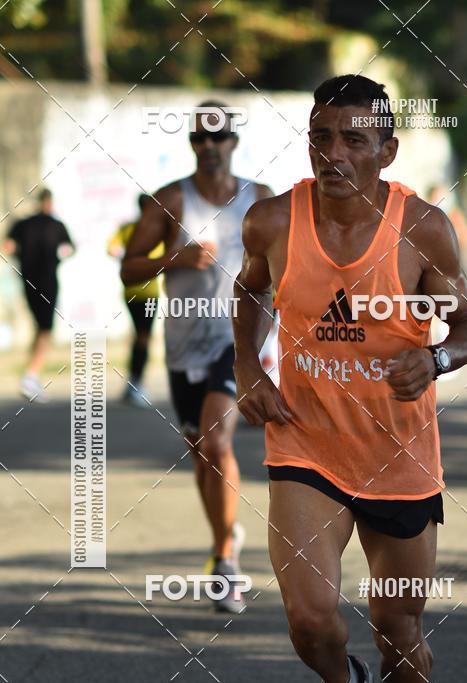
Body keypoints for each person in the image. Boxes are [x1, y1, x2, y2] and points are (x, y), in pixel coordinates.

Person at [233, 75, 467, 683]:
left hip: (398, 457)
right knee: (310, 618)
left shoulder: (423, 228)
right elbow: (248, 293)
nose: (333, 153)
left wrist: (435, 359)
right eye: (321, 137)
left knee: (398, 629)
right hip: (305, 443)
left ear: (387, 149)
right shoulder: (272, 220)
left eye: (353, 139)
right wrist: (248, 368)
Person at [121, 101, 272, 612]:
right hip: (184, 345)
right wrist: (174, 257)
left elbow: (287, 262)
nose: (208, 146)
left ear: (233, 141)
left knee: (217, 439)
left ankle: (226, 562)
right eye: (198, 139)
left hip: (238, 341)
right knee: (202, 453)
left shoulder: (260, 199)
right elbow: (128, 268)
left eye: (217, 136)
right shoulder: (170, 200)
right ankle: (223, 537)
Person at [4, 188, 74, 402]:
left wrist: (21, 256)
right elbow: (69, 249)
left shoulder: (22, 224)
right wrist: (57, 258)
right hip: (47, 282)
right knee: (45, 330)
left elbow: (7, 247)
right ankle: (31, 375)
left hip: (28, 282)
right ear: (50, 202)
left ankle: (31, 375)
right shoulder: (56, 225)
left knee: (39, 327)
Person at [107, 194, 163, 406]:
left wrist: (125, 256)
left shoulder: (128, 228)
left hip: (131, 290)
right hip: (147, 293)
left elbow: (112, 249)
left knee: (140, 335)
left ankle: (133, 382)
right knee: (144, 337)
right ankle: (136, 384)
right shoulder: (155, 230)